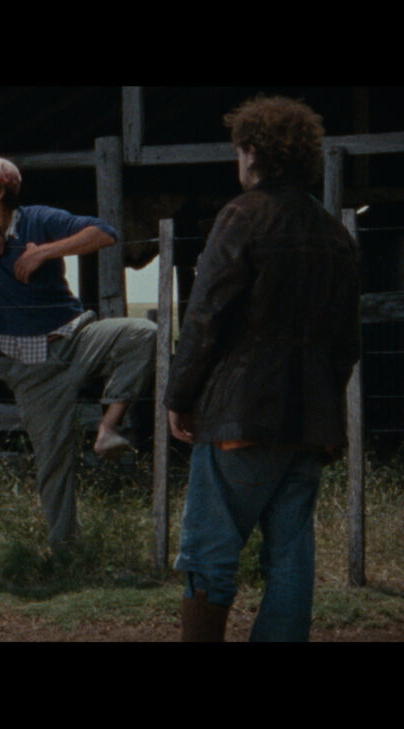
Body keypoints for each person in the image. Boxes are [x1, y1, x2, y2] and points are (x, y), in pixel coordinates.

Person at [166, 96, 360, 642]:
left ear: (252, 152)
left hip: (241, 416)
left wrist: (179, 396)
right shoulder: (335, 234)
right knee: (291, 556)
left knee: (209, 551)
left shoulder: (241, 216)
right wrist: (326, 412)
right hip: (311, 426)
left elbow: (205, 317)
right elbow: (347, 342)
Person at [0, 157, 155, 552]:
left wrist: (45, 252)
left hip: (75, 338)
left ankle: (109, 427)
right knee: (53, 461)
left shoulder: (39, 219)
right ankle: (65, 552)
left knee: (143, 334)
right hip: (30, 366)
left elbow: (105, 233)